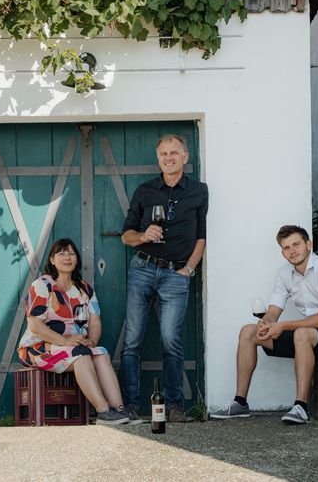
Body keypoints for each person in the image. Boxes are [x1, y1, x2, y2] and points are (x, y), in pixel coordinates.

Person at [210, 225, 318, 424]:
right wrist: (267, 323)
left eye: (296, 244)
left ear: (308, 244)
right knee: (248, 332)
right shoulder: (284, 274)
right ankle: (240, 403)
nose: (292, 251)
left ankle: (300, 407)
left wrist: (283, 326)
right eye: (286, 248)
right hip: (309, 338)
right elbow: (273, 311)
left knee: (301, 333)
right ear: (282, 252)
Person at [120, 134, 208, 423]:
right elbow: (126, 235)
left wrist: (189, 270)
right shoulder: (145, 191)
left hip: (176, 274)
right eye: (162, 154)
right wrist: (144, 235)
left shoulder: (199, 191)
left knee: (171, 340)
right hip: (143, 268)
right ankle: (130, 406)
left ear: (185, 156)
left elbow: (201, 237)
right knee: (132, 340)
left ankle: (174, 407)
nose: (168, 158)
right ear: (158, 158)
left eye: (173, 152)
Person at [16, 238, 132, 425]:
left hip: (73, 345)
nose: (67, 257)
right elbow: (35, 326)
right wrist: (65, 341)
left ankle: (119, 410)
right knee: (81, 355)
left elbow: (95, 323)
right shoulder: (43, 285)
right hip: (37, 347)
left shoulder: (85, 290)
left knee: (101, 353)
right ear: (52, 260)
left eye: (71, 253)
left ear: (77, 259)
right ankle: (103, 412)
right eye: (61, 253)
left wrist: (92, 341)